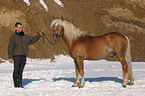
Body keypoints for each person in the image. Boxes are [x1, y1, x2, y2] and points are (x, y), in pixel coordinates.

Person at [8, 22, 43, 88]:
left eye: (21, 27)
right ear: (16, 28)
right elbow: (10, 47)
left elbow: (32, 40)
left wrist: (39, 35)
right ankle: (16, 85)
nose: (21, 28)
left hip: (23, 56)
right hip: (16, 56)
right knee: (16, 71)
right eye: (19, 27)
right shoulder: (13, 37)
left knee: (21, 71)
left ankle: (20, 84)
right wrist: (10, 57)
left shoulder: (25, 36)